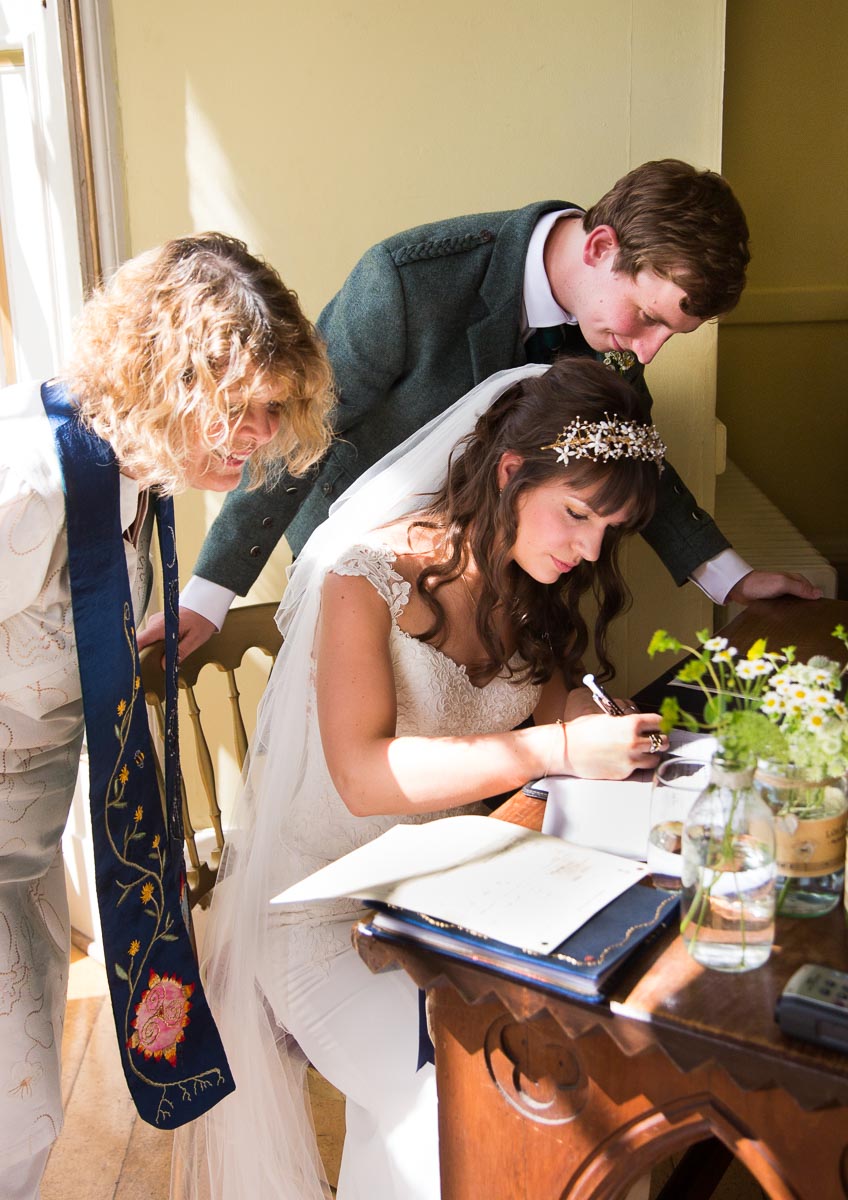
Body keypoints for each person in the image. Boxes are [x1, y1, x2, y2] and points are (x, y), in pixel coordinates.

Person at [172, 358, 671, 1200]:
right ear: (512, 473)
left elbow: (555, 705)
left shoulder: (528, 582)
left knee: (486, 1095)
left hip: (449, 908)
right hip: (323, 918)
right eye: (577, 515)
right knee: (458, 1110)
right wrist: (553, 750)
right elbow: (364, 777)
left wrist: (589, 724)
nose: (588, 550)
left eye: (605, 531)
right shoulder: (363, 577)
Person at [150, 159, 818, 665]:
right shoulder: (408, 282)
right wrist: (212, 592)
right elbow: (300, 430)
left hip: (505, 600)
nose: (649, 349)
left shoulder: (613, 329)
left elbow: (627, 451)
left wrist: (729, 576)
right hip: (372, 580)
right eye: (647, 317)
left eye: (671, 332)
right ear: (599, 248)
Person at [0, 232, 333, 1200]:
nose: (260, 433)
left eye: (275, 409)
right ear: (161, 381)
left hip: (24, 840)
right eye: (239, 408)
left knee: (23, 1103)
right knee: (13, 1112)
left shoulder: (132, 481)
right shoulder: (26, 486)